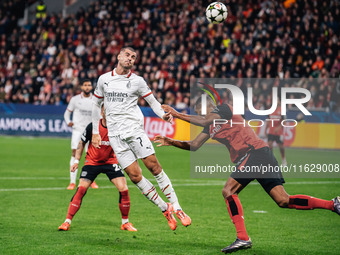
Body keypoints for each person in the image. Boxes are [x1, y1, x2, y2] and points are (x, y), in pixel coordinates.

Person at [156, 99, 340, 253]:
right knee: (283, 200)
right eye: (197, 111)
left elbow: (204, 121)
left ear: (210, 107)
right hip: (261, 154)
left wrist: (177, 114)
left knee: (228, 190)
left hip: (254, 153)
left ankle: (243, 238)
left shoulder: (224, 109)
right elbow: (194, 145)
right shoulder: (210, 127)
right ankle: (333, 204)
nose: (201, 114)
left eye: (201, 110)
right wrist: (171, 141)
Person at [91, 47, 191, 231]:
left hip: (134, 131)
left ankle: (177, 207)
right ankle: (164, 208)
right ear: (119, 56)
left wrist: (163, 115)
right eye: (128, 55)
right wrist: (95, 132)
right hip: (115, 136)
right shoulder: (104, 79)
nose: (130, 59)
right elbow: (95, 104)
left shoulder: (137, 81)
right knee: (135, 176)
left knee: (154, 167)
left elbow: (153, 102)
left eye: (134, 57)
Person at [59, 104, 137, 232]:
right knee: (81, 190)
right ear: (102, 112)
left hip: (110, 162)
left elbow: (125, 145)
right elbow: (81, 143)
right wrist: (77, 161)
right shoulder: (93, 127)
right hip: (92, 162)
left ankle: (125, 223)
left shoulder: (117, 128)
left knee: (124, 189)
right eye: (106, 110)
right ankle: (66, 222)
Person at [64, 79, 98, 190]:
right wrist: (68, 121)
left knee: (91, 156)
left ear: (91, 87)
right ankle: (72, 182)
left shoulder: (96, 100)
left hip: (91, 131)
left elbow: (100, 114)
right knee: (75, 153)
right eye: (85, 85)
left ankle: (91, 180)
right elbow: (67, 113)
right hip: (77, 130)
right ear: (81, 87)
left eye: (89, 85)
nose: (87, 87)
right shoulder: (75, 99)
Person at [265, 99, 287, 166]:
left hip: (279, 132)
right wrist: (266, 129)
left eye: (277, 100)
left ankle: (283, 160)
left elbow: (284, 122)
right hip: (271, 130)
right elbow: (268, 120)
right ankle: (271, 160)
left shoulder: (282, 110)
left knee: (281, 147)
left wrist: (279, 128)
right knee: (270, 144)